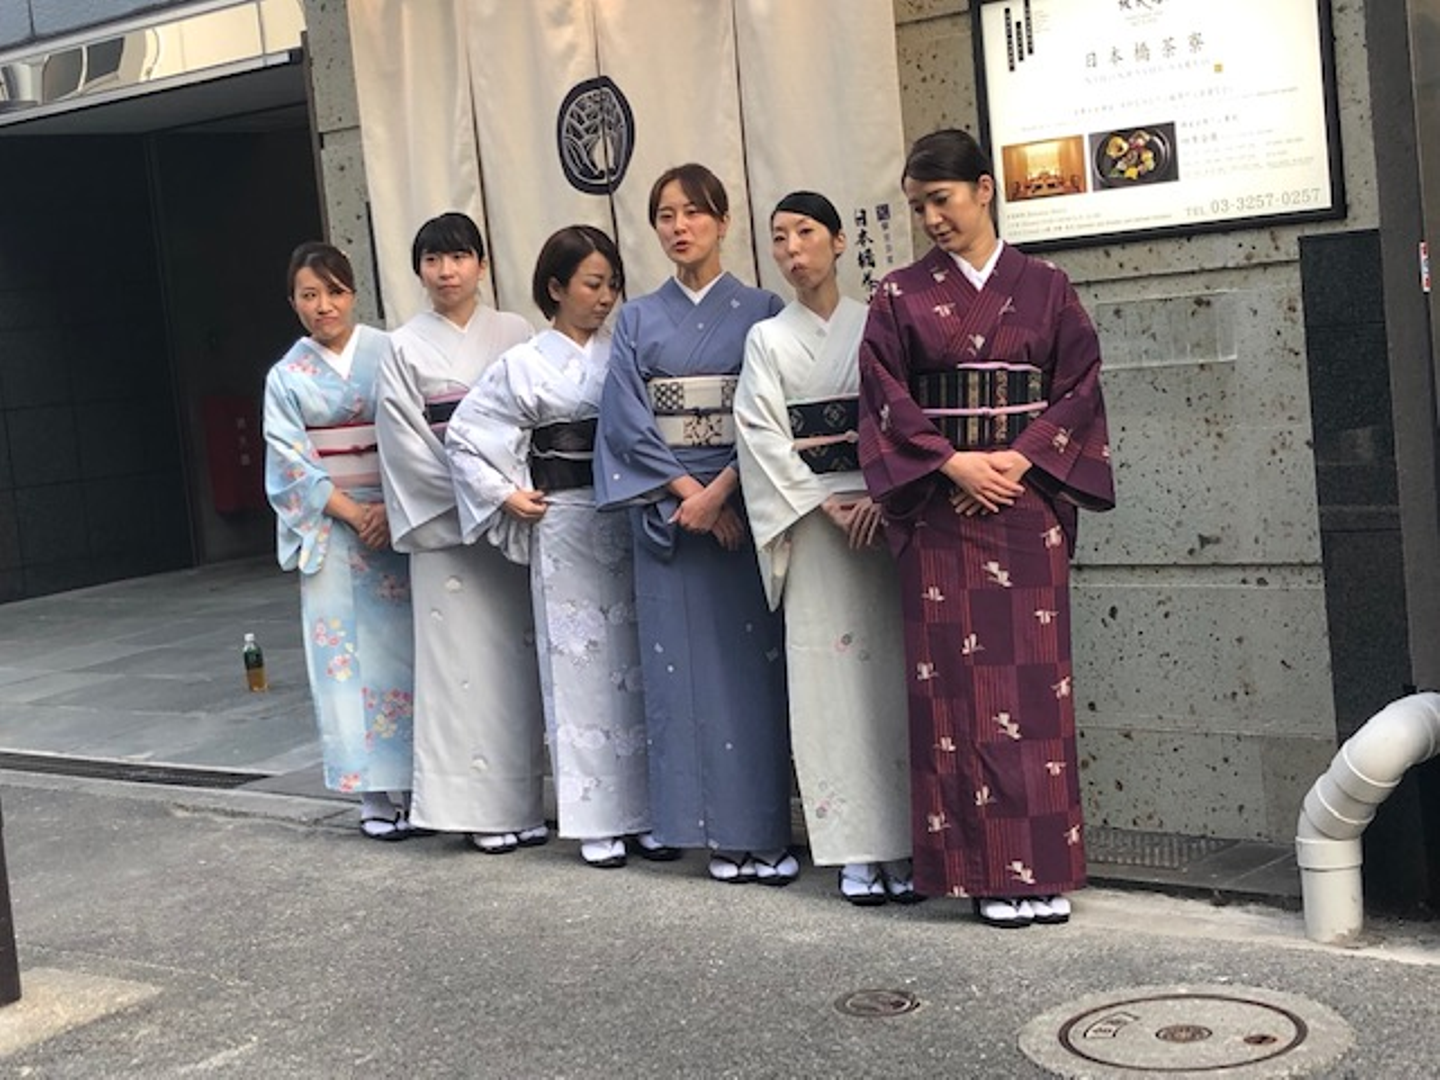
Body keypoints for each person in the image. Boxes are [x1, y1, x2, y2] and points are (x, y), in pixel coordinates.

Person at [858, 129, 1115, 928]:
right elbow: (884, 395)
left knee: (1035, 692)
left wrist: (1017, 459)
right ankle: (983, 874)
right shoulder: (897, 295)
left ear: (983, 189)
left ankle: (1043, 870)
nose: (931, 218)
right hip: (942, 511)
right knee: (956, 693)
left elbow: (1079, 387)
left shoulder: (1048, 287)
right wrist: (952, 464)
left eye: (941, 199)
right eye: (917, 207)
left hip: (1024, 505)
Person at [446, 225, 674, 870]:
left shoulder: (623, 353)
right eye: (592, 284)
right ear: (556, 287)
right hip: (565, 520)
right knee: (579, 669)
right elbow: (465, 436)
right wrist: (505, 493)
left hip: (625, 518)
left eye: (612, 286)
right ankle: (597, 818)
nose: (605, 298)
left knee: (639, 662)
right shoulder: (523, 363)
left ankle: (649, 813)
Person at [594, 164, 796, 885]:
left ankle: (761, 830)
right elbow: (625, 418)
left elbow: (770, 415)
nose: (679, 227)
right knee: (679, 676)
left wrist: (723, 493)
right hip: (671, 511)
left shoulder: (763, 309)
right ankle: (707, 833)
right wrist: (690, 496)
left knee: (749, 673)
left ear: (723, 220)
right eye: (665, 216)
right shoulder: (637, 319)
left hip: (742, 502)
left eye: (693, 213)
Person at [733, 192, 914, 906]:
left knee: (890, 679)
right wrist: (819, 501)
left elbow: (905, 418)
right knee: (825, 683)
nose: (791, 249)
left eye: (805, 232)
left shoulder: (878, 324)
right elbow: (759, 432)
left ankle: (904, 841)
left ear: (840, 241)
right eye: (779, 238)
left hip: (879, 513)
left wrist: (882, 495)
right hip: (811, 518)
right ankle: (851, 848)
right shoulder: (767, 340)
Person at [375, 212, 546, 853]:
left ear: (482, 264)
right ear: (419, 270)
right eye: (432, 260)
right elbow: (405, 444)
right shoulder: (402, 346)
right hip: (452, 526)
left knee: (516, 665)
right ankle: (473, 809)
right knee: (459, 671)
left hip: (512, 518)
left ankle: (526, 799)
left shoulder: (515, 332)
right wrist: (485, 496)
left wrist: (510, 493)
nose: (446, 271)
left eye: (458, 257)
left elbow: (535, 420)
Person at [262, 242, 416, 840]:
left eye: (334, 292)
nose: (323, 305)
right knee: (344, 661)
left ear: (354, 294)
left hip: (400, 515)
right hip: (331, 526)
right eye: (309, 295)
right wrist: (355, 512)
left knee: (411, 653)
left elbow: (414, 433)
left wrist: (393, 508)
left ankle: (423, 786)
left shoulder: (390, 352)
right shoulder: (286, 376)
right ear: (293, 302)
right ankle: (373, 795)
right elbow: (289, 464)